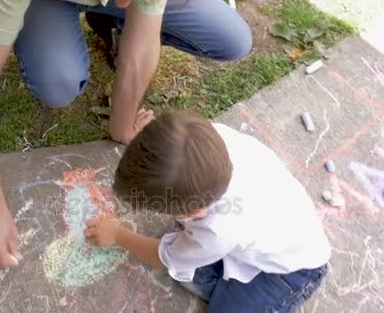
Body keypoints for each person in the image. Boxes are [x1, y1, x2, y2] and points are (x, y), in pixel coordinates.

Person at [0, 0, 253, 269]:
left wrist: (122, 125)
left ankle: (106, 20)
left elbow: (142, 43)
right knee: (57, 83)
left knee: (232, 39)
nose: (124, 2)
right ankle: (43, 17)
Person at [85, 111, 330, 312]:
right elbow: (174, 149)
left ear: (196, 211)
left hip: (290, 272)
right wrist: (150, 147)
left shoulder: (218, 230)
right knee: (190, 264)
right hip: (265, 229)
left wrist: (118, 236)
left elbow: (164, 257)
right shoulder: (211, 140)